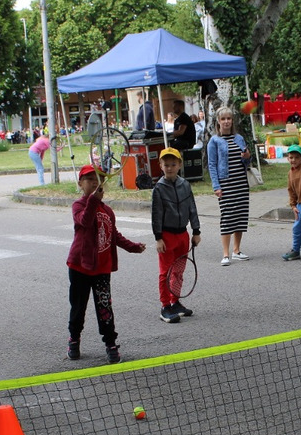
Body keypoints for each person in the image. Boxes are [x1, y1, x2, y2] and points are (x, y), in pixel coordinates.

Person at [67, 164, 147, 361]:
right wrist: (93, 200)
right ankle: (74, 339)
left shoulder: (107, 211)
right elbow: (84, 221)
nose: (94, 182)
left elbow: (114, 235)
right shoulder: (79, 205)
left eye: (97, 179)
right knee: (78, 307)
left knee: (105, 308)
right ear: (80, 183)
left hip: (101, 269)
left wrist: (132, 246)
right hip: (80, 267)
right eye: (89, 179)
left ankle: (110, 343)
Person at [151, 147, 201, 323]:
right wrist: (158, 238)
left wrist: (196, 231)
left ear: (179, 165)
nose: (170, 168)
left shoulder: (185, 185)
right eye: (166, 165)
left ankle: (175, 301)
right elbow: (156, 215)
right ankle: (165, 306)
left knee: (178, 272)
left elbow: (192, 209)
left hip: (183, 234)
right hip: (166, 235)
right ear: (161, 166)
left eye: (173, 164)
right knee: (165, 272)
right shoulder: (158, 188)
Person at [206, 106, 251, 266]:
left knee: (240, 216)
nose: (226, 121)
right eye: (223, 119)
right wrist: (216, 186)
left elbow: (246, 162)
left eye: (229, 118)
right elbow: (211, 165)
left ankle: (237, 250)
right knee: (227, 217)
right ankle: (225, 254)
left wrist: (247, 157)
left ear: (232, 121)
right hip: (226, 184)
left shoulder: (239, 138)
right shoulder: (214, 141)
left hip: (241, 183)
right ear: (218, 121)